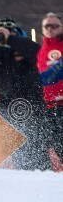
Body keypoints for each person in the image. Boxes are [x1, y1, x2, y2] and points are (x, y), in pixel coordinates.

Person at [0, 16, 52, 171]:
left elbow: (37, 53)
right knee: (19, 153)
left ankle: (44, 177)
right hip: (8, 109)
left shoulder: (24, 46)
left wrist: (11, 39)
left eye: (9, 29)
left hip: (32, 106)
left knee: (38, 148)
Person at [37, 12, 63, 163]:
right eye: (47, 26)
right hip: (47, 106)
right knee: (57, 147)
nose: (51, 29)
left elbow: (54, 73)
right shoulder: (40, 51)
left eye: (55, 26)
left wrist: (39, 79)